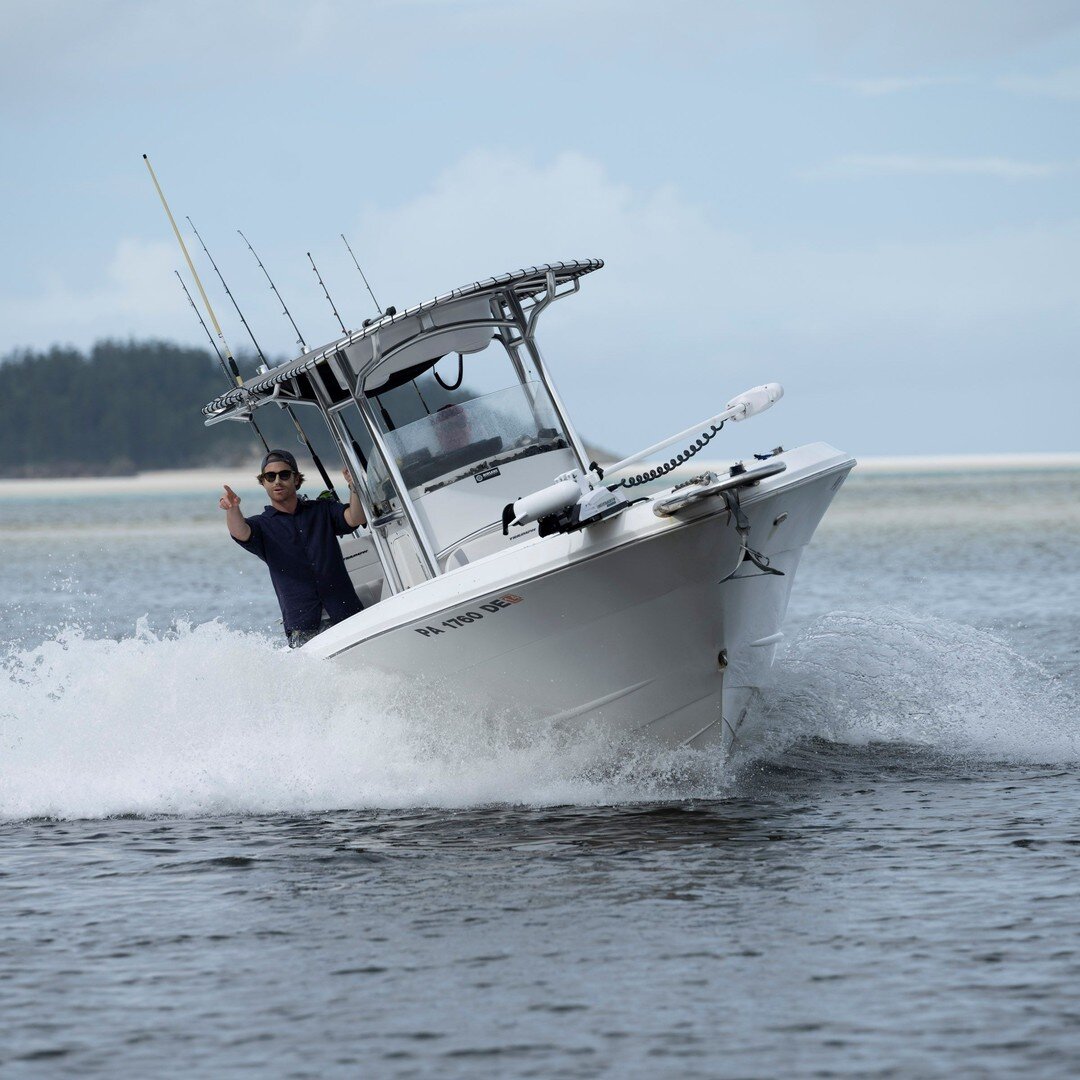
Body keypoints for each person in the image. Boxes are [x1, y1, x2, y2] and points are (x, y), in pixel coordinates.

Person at [220, 449, 368, 648]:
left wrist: (354, 486)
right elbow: (240, 531)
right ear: (263, 482)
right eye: (270, 477)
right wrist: (233, 509)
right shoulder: (262, 526)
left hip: (345, 612)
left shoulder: (322, 509)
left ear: (296, 479)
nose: (277, 481)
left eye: (284, 475)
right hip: (303, 625)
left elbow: (355, 518)